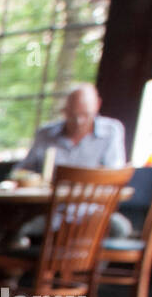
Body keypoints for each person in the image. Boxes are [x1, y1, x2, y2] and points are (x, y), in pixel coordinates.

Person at [14, 84, 132, 241]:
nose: (79, 121)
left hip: (92, 212)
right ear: (65, 110)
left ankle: (88, 266)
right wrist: (29, 178)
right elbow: (22, 171)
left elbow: (115, 176)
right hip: (48, 212)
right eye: (73, 114)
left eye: (85, 114)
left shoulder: (111, 131)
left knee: (119, 228)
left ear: (97, 105)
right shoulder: (45, 134)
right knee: (14, 228)